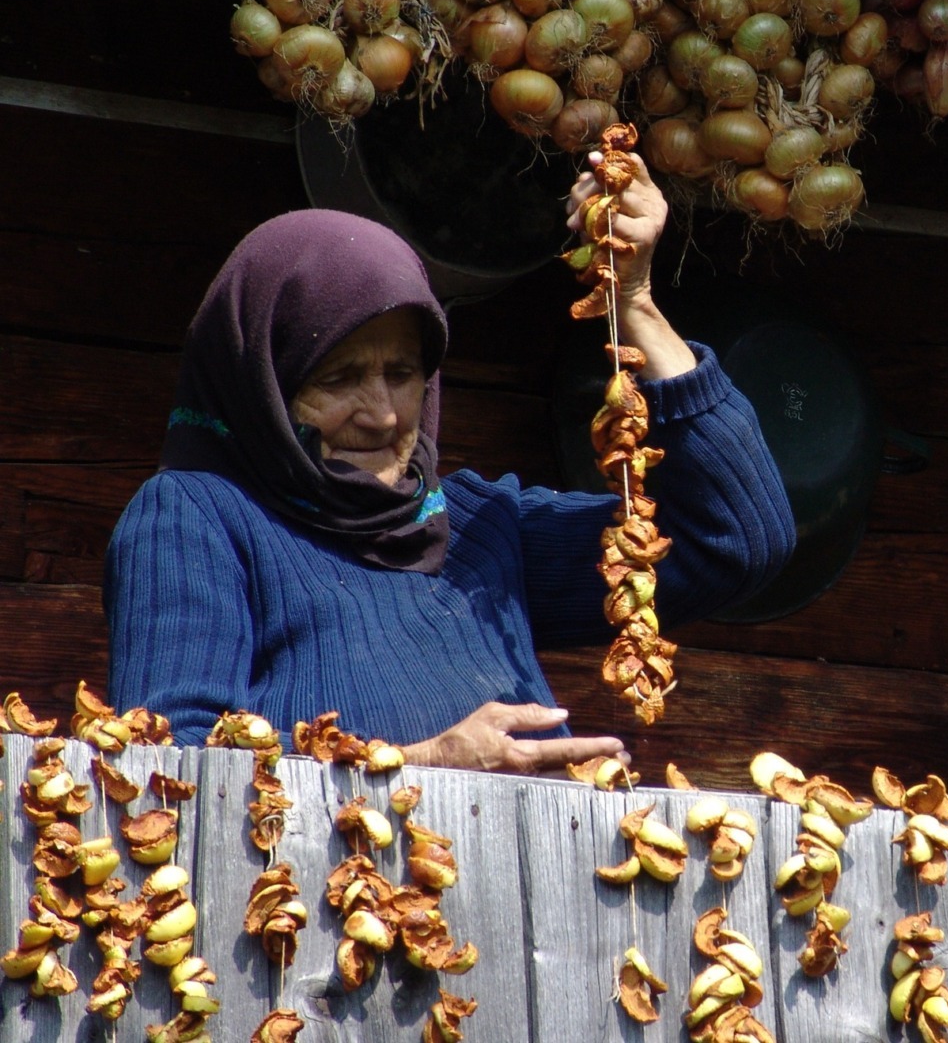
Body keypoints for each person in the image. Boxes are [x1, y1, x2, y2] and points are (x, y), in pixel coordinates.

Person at [104, 154, 795, 773]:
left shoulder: (479, 531)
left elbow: (736, 541)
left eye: (403, 374)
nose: (382, 415)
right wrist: (422, 764)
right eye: (340, 378)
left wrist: (635, 301)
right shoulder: (197, 518)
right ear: (260, 383)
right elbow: (165, 764)